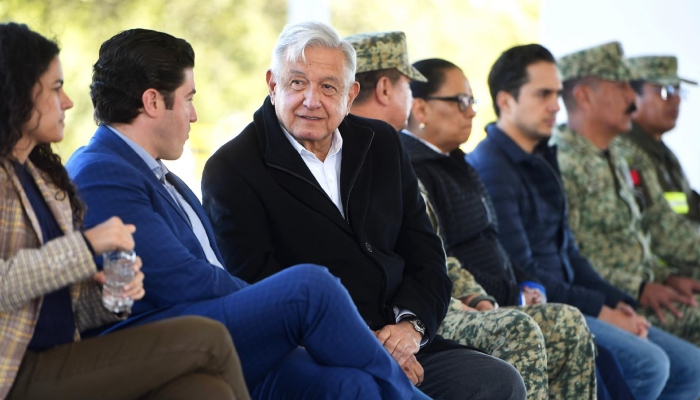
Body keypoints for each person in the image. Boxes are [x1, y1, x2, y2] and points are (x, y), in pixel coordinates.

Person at [65, 27, 421, 400]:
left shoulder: (152, 172)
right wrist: (269, 303)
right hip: (169, 336)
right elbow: (177, 280)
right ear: (154, 102)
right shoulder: (101, 171)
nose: (194, 115)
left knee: (353, 386)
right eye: (188, 99)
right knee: (309, 289)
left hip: (214, 327)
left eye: (328, 88)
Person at [202, 21, 526, 400]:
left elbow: (425, 254)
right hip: (318, 353)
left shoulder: (382, 143)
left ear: (351, 93)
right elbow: (257, 285)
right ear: (273, 84)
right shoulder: (233, 168)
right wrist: (364, 346)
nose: (311, 100)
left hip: (404, 338)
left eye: (328, 86)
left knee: (498, 382)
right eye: (296, 83)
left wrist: (411, 329)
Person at [0, 22, 249, 400]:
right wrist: (85, 248)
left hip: (62, 352)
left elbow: (55, 309)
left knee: (203, 389)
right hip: (14, 368)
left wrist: (111, 298)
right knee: (210, 336)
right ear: (17, 94)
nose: (68, 101)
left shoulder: (44, 181)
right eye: (55, 88)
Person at [346, 31, 587, 400]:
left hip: (425, 307)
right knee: (519, 329)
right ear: (384, 89)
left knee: (570, 323)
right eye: (408, 86)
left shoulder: (401, 156)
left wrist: (478, 298)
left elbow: (434, 253)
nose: (472, 110)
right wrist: (405, 327)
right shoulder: (351, 159)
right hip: (395, 317)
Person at [550, 41, 700, 398]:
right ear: (584, 96)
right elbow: (570, 253)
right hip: (610, 298)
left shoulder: (619, 155)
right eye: (621, 87)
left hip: (646, 288)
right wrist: (638, 289)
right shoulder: (559, 162)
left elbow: (654, 228)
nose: (631, 97)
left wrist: (664, 277)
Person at [620, 56, 700, 223]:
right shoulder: (624, 151)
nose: (676, 99)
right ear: (632, 96)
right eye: (666, 91)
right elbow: (653, 223)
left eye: (679, 91)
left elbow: (688, 205)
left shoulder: (664, 153)